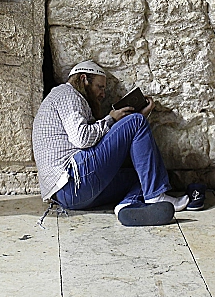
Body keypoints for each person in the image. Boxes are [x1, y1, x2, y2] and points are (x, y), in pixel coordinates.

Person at [32, 61, 189, 226]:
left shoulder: (65, 98)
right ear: (84, 79)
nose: (102, 94)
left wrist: (136, 120)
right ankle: (156, 196)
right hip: (73, 180)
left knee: (141, 174)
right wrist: (113, 119)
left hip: (69, 197)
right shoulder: (67, 93)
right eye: (100, 87)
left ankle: (127, 205)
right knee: (136, 122)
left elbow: (95, 141)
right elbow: (82, 139)